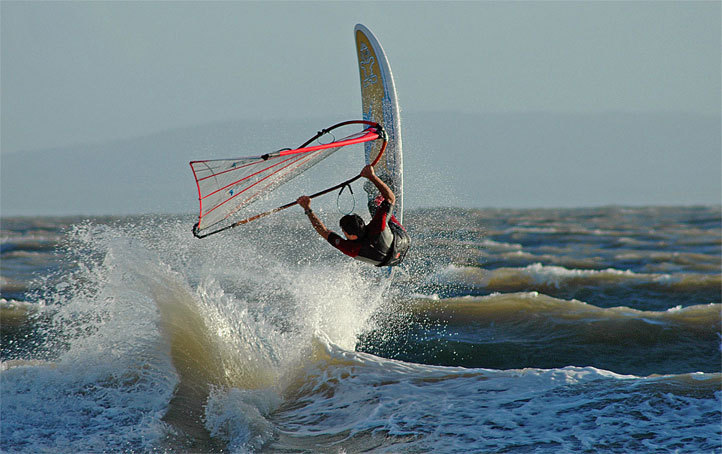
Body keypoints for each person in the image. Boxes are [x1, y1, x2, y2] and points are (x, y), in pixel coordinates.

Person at [297, 165, 410, 267]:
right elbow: (391, 198)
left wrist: (307, 208)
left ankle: (380, 193)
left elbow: (324, 231)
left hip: (392, 257)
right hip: (403, 242)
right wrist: (371, 176)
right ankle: (383, 188)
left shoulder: (350, 248)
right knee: (375, 204)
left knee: (375, 206)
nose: (342, 232)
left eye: (343, 231)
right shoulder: (376, 226)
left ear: (349, 234)